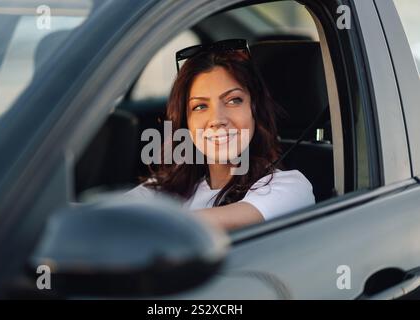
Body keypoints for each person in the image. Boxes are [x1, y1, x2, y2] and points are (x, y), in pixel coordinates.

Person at [125, 39, 315, 231]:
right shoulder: (168, 189)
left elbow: (184, 226)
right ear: (186, 123)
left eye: (233, 100)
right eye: (200, 106)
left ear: (255, 110)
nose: (217, 119)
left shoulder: (290, 188)